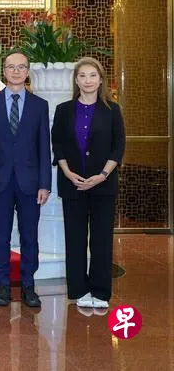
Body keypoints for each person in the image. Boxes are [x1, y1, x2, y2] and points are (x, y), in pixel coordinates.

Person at [52, 57, 125, 309]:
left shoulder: (112, 110)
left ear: (101, 80)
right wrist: (68, 172)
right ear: (76, 80)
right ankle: (79, 290)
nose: (88, 80)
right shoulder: (64, 110)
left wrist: (102, 175)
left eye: (93, 75)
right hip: (72, 184)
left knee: (101, 240)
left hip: (103, 184)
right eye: (82, 75)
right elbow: (58, 144)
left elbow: (118, 146)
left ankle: (101, 292)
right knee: (75, 240)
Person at [0, 51, 51, 308]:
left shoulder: (39, 105)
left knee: (29, 235)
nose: (16, 71)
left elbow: (44, 147)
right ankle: (2, 285)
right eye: (11, 67)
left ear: (28, 71)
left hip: (30, 182)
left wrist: (45, 183)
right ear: (4, 70)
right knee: (1, 236)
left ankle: (28, 286)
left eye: (21, 67)